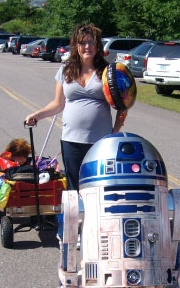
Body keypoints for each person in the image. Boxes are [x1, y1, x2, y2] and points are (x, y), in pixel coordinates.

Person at [24, 24, 126, 191]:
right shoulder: (66, 70)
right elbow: (58, 104)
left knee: (100, 186)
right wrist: (37, 115)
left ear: (97, 45)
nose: (87, 47)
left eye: (91, 42)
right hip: (71, 140)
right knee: (74, 186)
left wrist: (114, 132)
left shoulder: (108, 71)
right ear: (76, 46)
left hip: (100, 140)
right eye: (82, 43)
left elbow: (123, 105)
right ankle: (78, 217)